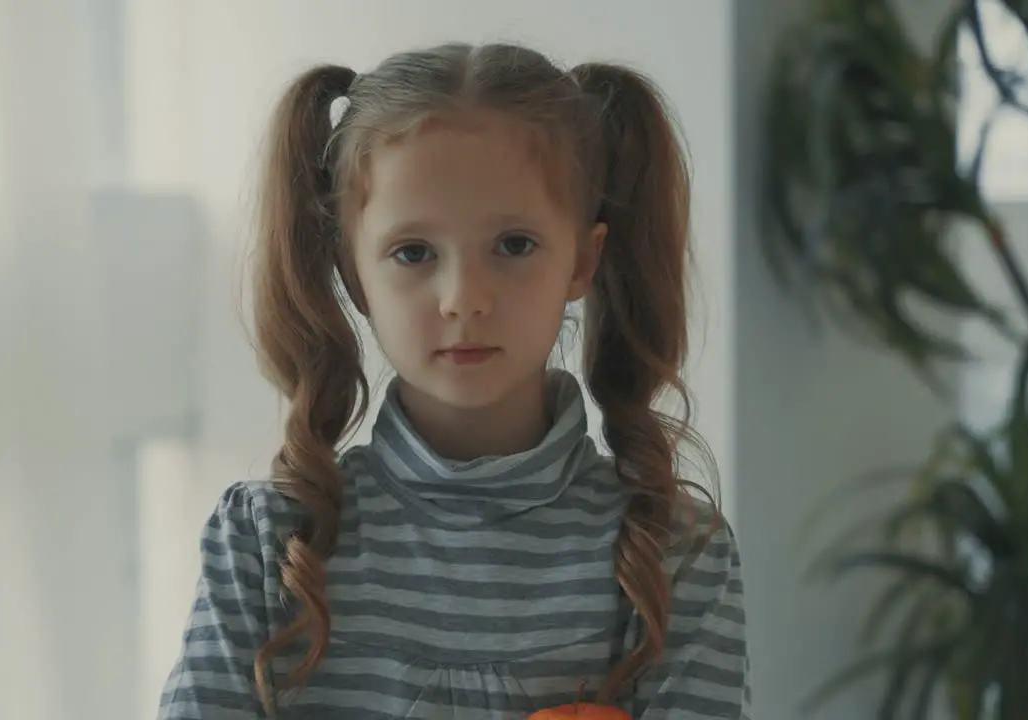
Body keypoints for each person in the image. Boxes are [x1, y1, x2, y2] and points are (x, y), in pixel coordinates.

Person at [158, 41, 751, 719]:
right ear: (351, 272)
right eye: (413, 252)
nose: (463, 298)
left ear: (583, 262)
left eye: (514, 245)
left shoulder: (676, 553)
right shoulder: (264, 544)